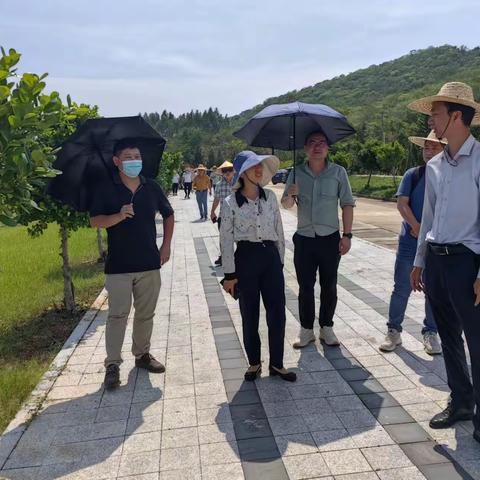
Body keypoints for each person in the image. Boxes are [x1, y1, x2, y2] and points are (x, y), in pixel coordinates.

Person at [409, 82, 480, 440]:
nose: (430, 121)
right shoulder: (435, 166)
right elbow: (430, 219)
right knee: (449, 335)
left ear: (456, 115)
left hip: (468, 262)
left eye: (435, 114)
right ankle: (461, 401)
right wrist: (419, 261)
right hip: (437, 260)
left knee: (477, 337)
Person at [89, 139, 174, 390]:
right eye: (127, 156)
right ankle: (113, 365)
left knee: (146, 314)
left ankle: (142, 355)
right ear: (116, 161)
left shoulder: (151, 187)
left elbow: (168, 214)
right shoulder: (106, 188)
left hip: (149, 263)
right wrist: (118, 215)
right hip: (119, 267)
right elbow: (95, 221)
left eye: (137, 155)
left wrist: (166, 245)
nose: (134, 160)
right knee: (117, 316)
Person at [221, 151, 296, 383]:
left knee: (277, 312)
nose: (259, 170)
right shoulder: (230, 203)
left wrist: (280, 261)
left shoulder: (270, 198)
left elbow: (280, 231)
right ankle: (254, 362)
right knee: (249, 312)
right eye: (254, 166)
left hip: (270, 257)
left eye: (261, 166)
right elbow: (225, 239)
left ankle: (277, 364)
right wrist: (230, 274)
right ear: (243, 172)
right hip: (246, 257)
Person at [282, 130, 355, 348]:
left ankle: (326, 328)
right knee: (305, 286)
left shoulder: (338, 172)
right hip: (304, 238)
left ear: (328, 148)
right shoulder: (296, 173)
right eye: (312, 142)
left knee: (329, 285)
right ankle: (306, 330)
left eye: (322, 142)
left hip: (330, 239)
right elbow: (285, 204)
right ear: (305, 148)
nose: (317, 146)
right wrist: (290, 195)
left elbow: (347, 204)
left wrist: (347, 235)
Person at [380, 131, 446, 355]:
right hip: (411, 241)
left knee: (434, 291)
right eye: (426, 147)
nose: (428, 151)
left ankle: (431, 333)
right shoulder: (414, 174)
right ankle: (393, 331)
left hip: (438, 243)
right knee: (402, 287)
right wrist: (416, 226)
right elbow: (402, 204)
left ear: (444, 149)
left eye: (434, 147)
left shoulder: (450, 176)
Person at [210, 160, 235, 266]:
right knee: (223, 238)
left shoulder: (239, 183)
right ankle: (224, 256)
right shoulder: (219, 185)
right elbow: (216, 199)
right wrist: (212, 212)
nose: (227, 172)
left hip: (238, 216)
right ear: (222, 173)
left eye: (229, 170)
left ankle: (239, 257)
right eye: (225, 171)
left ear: (233, 171)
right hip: (223, 215)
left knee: (240, 238)